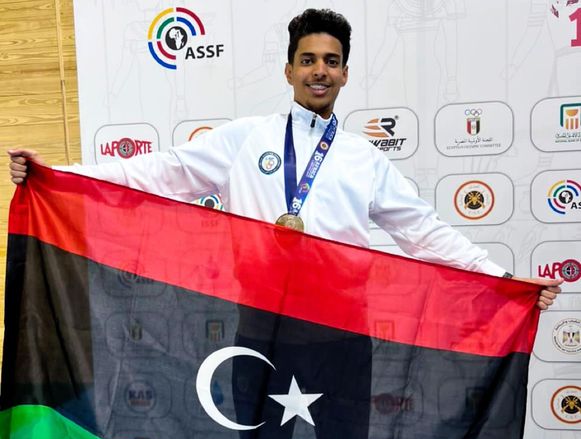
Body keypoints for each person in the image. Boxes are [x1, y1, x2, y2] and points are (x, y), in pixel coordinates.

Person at [8, 8, 561, 308]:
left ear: (345, 73)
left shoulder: (363, 159)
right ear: (289, 70)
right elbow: (156, 174)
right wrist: (55, 176)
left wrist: (501, 278)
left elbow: (424, 232)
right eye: (308, 59)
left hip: (341, 325)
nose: (320, 70)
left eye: (331, 61)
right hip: (259, 318)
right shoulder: (244, 139)